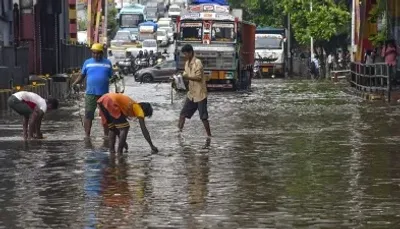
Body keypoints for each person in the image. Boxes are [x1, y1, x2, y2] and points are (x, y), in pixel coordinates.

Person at [72, 43, 113, 138]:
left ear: (102, 53)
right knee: (88, 114)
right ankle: (87, 135)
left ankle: (106, 135)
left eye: (98, 53)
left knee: (105, 115)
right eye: (94, 53)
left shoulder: (108, 63)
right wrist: (74, 83)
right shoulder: (87, 62)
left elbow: (112, 77)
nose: (96, 55)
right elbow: (82, 76)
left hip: (104, 95)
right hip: (91, 93)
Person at [178, 44, 211, 137]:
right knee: (182, 114)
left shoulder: (198, 63)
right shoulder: (186, 63)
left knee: (203, 117)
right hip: (191, 94)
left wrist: (187, 77)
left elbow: (199, 77)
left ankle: (209, 136)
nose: (185, 56)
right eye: (184, 54)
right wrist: (178, 79)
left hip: (200, 94)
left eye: (186, 54)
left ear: (190, 52)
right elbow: (185, 75)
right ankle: (179, 134)